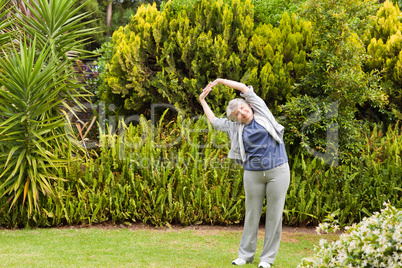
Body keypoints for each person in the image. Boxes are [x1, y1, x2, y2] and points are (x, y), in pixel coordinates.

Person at [199, 79, 290, 268]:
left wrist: (219, 81)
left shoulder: (261, 111)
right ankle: (245, 255)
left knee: (274, 216)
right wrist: (202, 100)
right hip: (253, 174)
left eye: (242, 108)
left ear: (248, 105)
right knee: (251, 215)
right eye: (237, 114)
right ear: (236, 118)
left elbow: (243, 88)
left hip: (278, 171)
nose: (241, 112)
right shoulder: (235, 127)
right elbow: (214, 122)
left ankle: (267, 260)